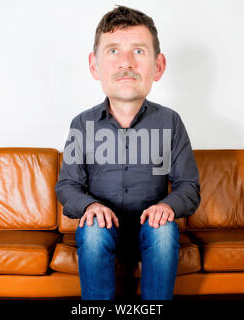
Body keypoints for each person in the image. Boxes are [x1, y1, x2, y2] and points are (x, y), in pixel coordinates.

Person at [55, 5, 200, 300]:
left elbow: (189, 186)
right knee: (94, 229)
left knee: (163, 230)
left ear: (158, 66)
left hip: (152, 229)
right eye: (112, 51)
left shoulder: (170, 122)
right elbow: (67, 185)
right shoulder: (81, 124)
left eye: (138, 51)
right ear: (94, 66)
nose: (125, 63)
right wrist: (89, 207)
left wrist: (168, 206)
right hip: (101, 229)